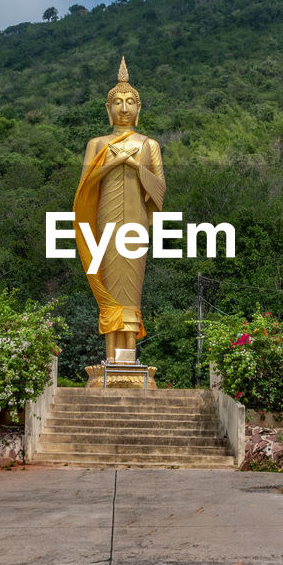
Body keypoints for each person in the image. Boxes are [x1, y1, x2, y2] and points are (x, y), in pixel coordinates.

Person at [73, 57, 166, 362]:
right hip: (106, 222)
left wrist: (137, 167)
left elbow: (159, 190)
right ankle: (111, 360)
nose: (124, 108)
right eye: (118, 102)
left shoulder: (148, 144)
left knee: (131, 292)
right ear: (108, 108)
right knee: (111, 289)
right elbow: (85, 184)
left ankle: (129, 359)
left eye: (130, 103)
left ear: (139, 110)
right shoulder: (97, 143)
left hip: (136, 225)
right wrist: (112, 162)